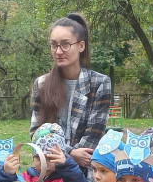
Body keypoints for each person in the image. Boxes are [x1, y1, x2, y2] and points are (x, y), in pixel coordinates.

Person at [30, 14, 112, 173]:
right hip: (48, 170)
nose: (58, 51)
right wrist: (71, 153)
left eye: (65, 44)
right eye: (54, 45)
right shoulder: (41, 84)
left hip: (81, 174)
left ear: (81, 46)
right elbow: (36, 133)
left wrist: (64, 155)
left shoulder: (99, 83)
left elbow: (92, 138)